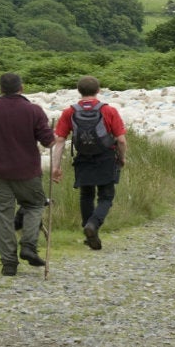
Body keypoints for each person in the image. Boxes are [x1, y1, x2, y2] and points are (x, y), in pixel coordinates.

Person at [0, 72, 56, 276]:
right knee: (35, 205)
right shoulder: (33, 110)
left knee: (4, 216)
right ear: (22, 87)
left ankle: (9, 264)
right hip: (28, 172)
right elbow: (48, 142)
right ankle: (28, 245)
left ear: (0, 88)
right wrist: (55, 136)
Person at [50, 76, 127, 251]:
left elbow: (60, 140)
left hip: (83, 157)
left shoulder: (69, 112)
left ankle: (89, 229)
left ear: (79, 91)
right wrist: (122, 158)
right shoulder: (109, 111)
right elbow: (121, 140)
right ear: (98, 91)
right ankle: (92, 225)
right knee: (106, 196)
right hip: (106, 157)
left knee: (86, 195)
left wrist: (56, 167)